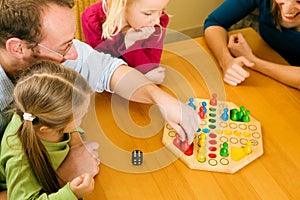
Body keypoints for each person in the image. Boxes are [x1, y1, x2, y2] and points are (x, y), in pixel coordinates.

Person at [0, 0, 200, 193]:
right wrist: (60, 178)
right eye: (64, 46)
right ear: (17, 48)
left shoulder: (57, 55)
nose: (74, 55)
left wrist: (159, 97)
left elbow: (109, 70)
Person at [0, 60, 95, 199]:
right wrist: (71, 193)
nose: (85, 114)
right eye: (80, 115)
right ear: (48, 127)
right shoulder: (19, 159)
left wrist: (76, 142)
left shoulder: (35, 113)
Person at [203, 0, 300, 89]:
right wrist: (226, 60)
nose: (287, 9)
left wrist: (253, 61)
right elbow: (214, 23)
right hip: (272, 66)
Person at [81, 0, 169, 84]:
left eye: (161, 11)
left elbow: (150, 68)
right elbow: (103, 72)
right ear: (123, 4)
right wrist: (127, 41)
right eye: (148, 13)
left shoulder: (159, 22)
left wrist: (130, 44)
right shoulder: (92, 18)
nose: (157, 20)